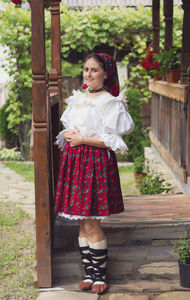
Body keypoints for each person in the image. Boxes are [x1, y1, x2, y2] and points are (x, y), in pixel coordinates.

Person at [54, 53, 135, 295]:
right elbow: (69, 126)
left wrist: (82, 139)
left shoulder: (110, 102)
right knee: (81, 218)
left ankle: (100, 275)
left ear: (106, 73)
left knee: (91, 219)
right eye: (86, 69)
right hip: (75, 160)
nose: (88, 74)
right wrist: (69, 135)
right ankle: (89, 272)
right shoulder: (78, 99)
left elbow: (112, 140)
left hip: (94, 162)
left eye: (94, 70)